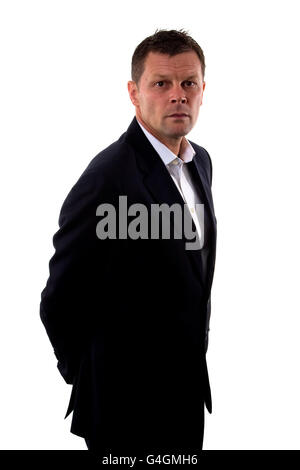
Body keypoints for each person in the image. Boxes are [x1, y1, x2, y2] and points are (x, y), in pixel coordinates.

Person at [39, 29, 217, 457]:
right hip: (124, 410)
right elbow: (59, 299)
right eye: (161, 84)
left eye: (188, 83)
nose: (178, 95)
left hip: (185, 396)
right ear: (135, 94)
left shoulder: (200, 162)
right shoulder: (108, 177)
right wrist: (92, 374)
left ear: (202, 89)